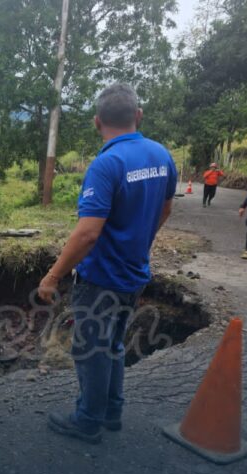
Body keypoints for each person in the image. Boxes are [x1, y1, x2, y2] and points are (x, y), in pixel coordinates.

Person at [37, 83, 177, 444]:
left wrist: (53, 276)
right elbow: (165, 208)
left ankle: (88, 421)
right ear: (138, 115)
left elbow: (87, 234)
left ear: (97, 122)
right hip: (134, 273)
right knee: (113, 344)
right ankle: (112, 412)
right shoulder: (161, 156)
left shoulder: (107, 164)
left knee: (89, 350)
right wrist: (140, 240)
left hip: (101, 277)